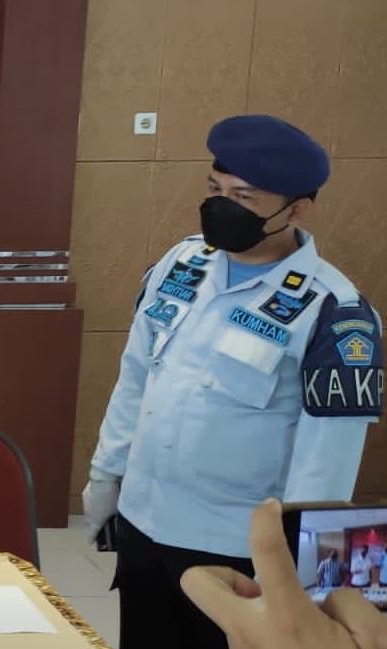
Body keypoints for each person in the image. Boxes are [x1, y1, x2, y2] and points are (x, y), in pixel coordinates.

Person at [81, 114, 383, 649]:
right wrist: (106, 474)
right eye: (215, 190)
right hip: (144, 523)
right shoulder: (181, 264)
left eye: (244, 197)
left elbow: (328, 467)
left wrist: (304, 583)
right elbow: (137, 376)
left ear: (296, 209)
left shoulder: (335, 313)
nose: (222, 207)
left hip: (236, 552)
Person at [182, 499, 387, 649]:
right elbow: (329, 573)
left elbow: (352, 571)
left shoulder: (351, 562)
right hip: (341, 587)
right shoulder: (330, 562)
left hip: (358, 586)